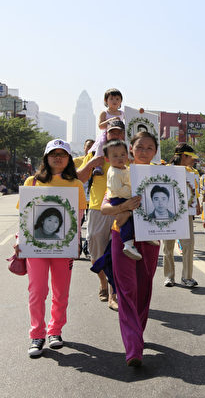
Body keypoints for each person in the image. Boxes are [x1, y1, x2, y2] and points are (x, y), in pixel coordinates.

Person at [16, 139, 87, 357]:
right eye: (53, 154)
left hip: (63, 249)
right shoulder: (32, 182)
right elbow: (24, 215)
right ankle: (36, 334)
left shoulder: (76, 184)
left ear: (68, 159)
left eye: (62, 154)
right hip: (35, 248)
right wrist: (19, 239)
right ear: (46, 157)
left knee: (61, 292)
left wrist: (76, 243)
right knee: (37, 291)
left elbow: (78, 217)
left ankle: (55, 331)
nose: (58, 158)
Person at [100, 130, 161, 366]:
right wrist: (124, 206)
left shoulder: (163, 174)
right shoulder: (120, 172)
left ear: (155, 152)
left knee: (144, 289)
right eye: (139, 147)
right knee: (127, 290)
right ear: (131, 150)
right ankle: (133, 347)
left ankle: (137, 334)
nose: (144, 151)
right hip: (122, 237)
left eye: (149, 148)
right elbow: (105, 207)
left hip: (151, 238)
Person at [78, 118, 126, 311]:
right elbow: (80, 178)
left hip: (120, 208)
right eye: (112, 132)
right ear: (106, 133)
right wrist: (91, 164)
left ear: (123, 134)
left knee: (116, 252)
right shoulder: (95, 153)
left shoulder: (127, 154)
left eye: (118, 132)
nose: (115, 135)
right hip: (98, 208)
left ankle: (113, 294)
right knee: (96, 251)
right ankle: (103, 283)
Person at [162, 143, 201, 288]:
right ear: (184, 156)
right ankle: (169, 277)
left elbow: (194, 191)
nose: (193, 160)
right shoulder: (166, 169)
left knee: (188, 245)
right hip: (168, 213)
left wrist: (197, 204)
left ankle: (187, 277)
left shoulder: (191, 172)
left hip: (186, 213)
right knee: (168, 246)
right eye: (191, 157)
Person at [103, 139, 142, 261]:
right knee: (126, 222)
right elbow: (119, 190)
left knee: (133, 218)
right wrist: (133, 192)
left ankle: (145, 234)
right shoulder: (114, 173)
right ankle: (128, 244)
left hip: (126, 197)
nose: (120, 158)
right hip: (118, 199)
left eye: (123, 154)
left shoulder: (125, 168)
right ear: (107, 159)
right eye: (115, 156)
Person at [90, 89, 125, 176]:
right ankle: (98, 166)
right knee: (101, 144)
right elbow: (100, 126)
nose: (114, 101)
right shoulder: (105, 113)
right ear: (106, 100)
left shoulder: (122, 113)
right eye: (111, 99)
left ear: (121, 101)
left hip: (120, 134)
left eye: (117, 99)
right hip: (107, 134)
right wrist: (111, 120)